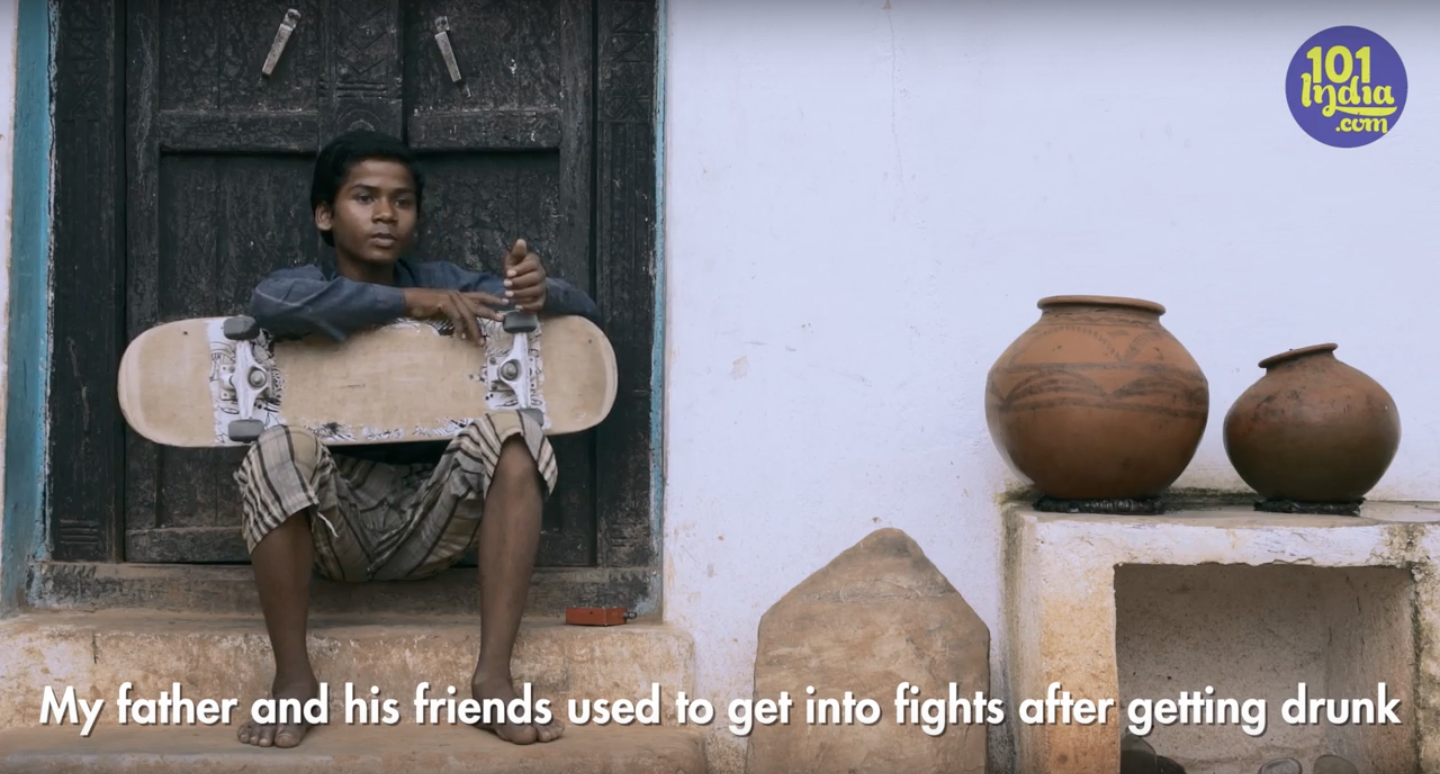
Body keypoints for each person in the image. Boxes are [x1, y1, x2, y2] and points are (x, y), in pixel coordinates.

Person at [232, 129, 599, 749]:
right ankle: (294, 683)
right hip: (332, 526)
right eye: (364, 197)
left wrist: (539, 290)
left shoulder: (445, 276)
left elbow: (579, 304)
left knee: (515, 435)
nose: (385, 214)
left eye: (401, 201)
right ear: (325, 214)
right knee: (274, 448)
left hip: (432, 518)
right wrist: (411, 302)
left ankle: (493, 682)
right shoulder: (300, 284)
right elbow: (271, 302)